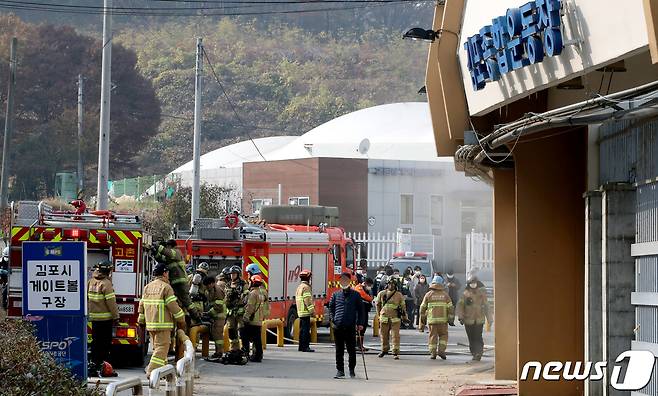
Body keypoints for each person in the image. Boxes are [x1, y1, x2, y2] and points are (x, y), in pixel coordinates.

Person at [138, 262, 186, 378]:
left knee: (158, 350)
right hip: (163, 325)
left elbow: (142, 304)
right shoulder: (166, 287)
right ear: (164, 273)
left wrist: (141, 320)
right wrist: (181, 317)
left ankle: (164, 373)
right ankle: (151, 372)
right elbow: (172, 305)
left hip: (151, 325)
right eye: (167, 273)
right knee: (161, 349)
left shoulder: (147, 287)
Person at [329, 272, 365, 379]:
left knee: (351, 350)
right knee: (339, 350)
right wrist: (333, 319)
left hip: (350, 326)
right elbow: (331, 308)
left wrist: (360, 323)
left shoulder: (356, 295)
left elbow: (361, 311)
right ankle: (340, 370)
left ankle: (351, 370)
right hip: (338, 326)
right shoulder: (335, 295)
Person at [87, 260, 120, 376]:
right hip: (105, 320)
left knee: (95, 344)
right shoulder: (106, 284)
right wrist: (116, 317)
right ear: (108, 271)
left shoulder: (90, 282)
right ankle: (105, 369)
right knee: (105, 346)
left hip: (94, 319)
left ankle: (93, 367)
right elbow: (111, 302)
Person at [152, 240, 193, 318]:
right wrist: (155, 252)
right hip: (175, 282)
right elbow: (161, 259)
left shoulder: (176, 252)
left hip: (180, 282)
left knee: (186, 301)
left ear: (170, 246)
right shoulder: (170, 258)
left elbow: (167, 252)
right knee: (178, 302)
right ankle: (185, 317)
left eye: (167, 246)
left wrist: (158, 246)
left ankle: (196, 318)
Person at [456, 275, 492, 361]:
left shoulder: (481, 294)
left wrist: (490, 318)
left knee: (478, 337)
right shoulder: (465, 294)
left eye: (474, 283)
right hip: (468, 320)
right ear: (469, 284)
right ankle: (474, 352)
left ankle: (479, 353)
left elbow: (487, 306)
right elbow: (460, 306)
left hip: (479, 320)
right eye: (471, 283)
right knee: (471, 338)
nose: (473, 284)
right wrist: (461, 317)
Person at [419, 276, 454, 360]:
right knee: (443, 335)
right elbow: (450, 308)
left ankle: (433, 353)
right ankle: (441, 351)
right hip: (443, 321)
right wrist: (451, 319)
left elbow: (422, 308)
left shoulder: (428, 294)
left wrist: (422, 320)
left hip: (432, 321)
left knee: (432, 336)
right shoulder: (445, 295)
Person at [375, 277, 406, 360]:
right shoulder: (381, 294)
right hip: (384, 318)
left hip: (395, 319)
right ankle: (384, 350)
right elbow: (377, 305)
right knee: (384, 336)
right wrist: (379, 315)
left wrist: (405, 317)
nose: (391, 285)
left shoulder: (399, 295)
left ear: (395, 285)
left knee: (395, 336)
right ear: (387, 284)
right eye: (389, 283)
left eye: (393, 284)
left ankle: (395, 352)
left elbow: (403, 307)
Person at [242, 274, 270, 362]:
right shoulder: (261, 293)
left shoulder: (253, 293)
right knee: (257, 339)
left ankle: (246, 354)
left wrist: (245, 317)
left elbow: (250, 307)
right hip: (258, 320)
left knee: (244, 336)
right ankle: (258, 356)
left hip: (252, 320)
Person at [201, 276, 226, 359]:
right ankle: (218, 351)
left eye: (208, 285)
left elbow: (219, 307)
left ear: (212, 283)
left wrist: (208, 313)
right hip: (216, 315)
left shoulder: (217, 291)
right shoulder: (211, 290)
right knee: (215, 334)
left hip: (219, 315)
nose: (207, 287)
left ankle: (219, 352)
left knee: (218, 335)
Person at [224, 265, 248, 356]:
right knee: (231, 331)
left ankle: (245, 350)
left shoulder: (243, 284)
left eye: (234, 274)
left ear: (238, 274)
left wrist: (239, 298)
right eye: (231, 274)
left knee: (242, 331)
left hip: (240, 312)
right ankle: (234, 349)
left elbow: (246, 297)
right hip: (230, 312)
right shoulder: (227, 284)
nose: (232, 276)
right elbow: (225, 298)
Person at [295, 269, 315, 352]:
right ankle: (305, 347)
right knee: (306, 331)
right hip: (305, 312)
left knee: (302, 330)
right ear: (308, 278)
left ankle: (301, 346)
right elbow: (308, 301)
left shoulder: (299, 287)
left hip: (300, 312)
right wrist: (312, 311)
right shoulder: (306, 288)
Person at [354, 277, 374, 351]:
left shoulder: (367, 290)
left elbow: (370, 297)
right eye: (369, 285)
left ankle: (360, 345)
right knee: (358, 327)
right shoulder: (359, 288)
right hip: (358, 312)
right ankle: (356, 345)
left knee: (363, 327)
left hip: (365, 311)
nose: (370, 287)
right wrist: (370, 298)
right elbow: (366, 297)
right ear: (365, 283)